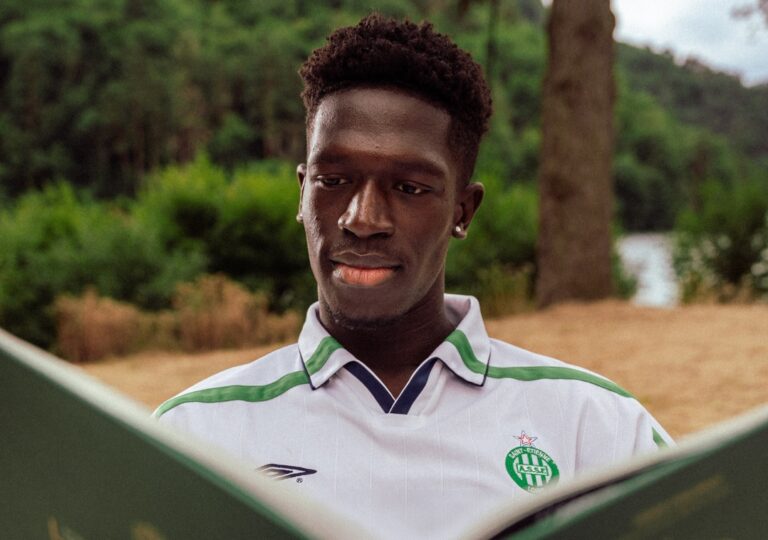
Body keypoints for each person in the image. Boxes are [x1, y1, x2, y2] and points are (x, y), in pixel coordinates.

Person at [156, 13, 671, 538]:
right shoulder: (195, 436)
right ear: (302, 193)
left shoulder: (595, 426)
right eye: (333, 180)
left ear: (462, 212)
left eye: (409, 188)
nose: (362, 219)